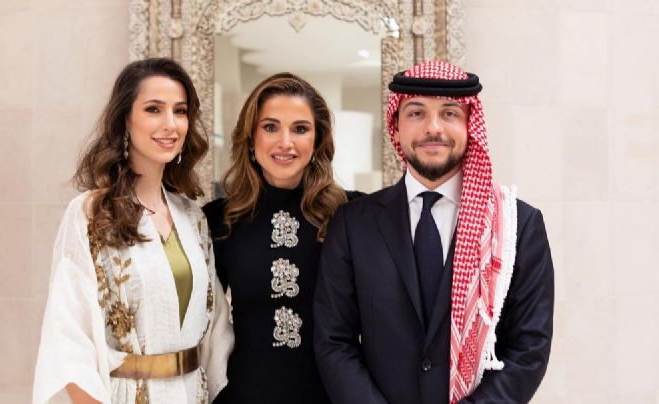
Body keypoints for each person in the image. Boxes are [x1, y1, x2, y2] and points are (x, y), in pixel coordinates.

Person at [314, 60, 554, 404]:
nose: (433, 127)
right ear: (396, 126)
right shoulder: (354, 224)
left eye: (449, 113)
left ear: (470, 124)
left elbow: (528, 351)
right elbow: (334, 342)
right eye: (416, 113)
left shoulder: (518, 225)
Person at [33, 58, 233, 404]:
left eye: (180, 111)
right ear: (125, 118)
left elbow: (217, 331)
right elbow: (69, 338)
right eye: (154, 109)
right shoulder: (91, 213)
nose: (170, 124)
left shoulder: (192, 218)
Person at [203, 73, 360, 404]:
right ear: (250, 138)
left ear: (317, 140)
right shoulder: (218, 219)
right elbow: (199, 322)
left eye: (300, 129)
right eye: (270, 127)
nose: (285, 142)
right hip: (243, 396)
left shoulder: (351, 214)